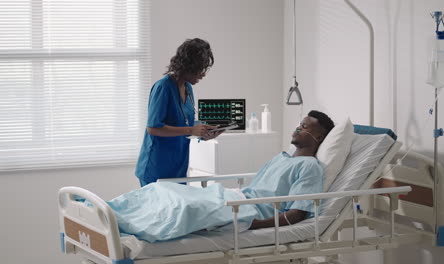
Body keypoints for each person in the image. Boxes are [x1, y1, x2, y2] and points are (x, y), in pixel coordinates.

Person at [109, 110, 335, 242]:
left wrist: (255, 225)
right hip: (234, 198)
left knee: (185, 208)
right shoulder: (282, 157)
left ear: (320, 135)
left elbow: (297, 213)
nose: (297, 128)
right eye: (299, 124)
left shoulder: (309, 167)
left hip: (247, 210)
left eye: (305, 127)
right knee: (162, 189)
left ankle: (121, 222)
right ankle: (113, 211)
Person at [135, 38, 222, 187]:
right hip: (156, 169)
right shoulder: (163, 87)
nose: (203, 74)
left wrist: (204, 131)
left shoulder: (188, 88)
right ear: (189, 66)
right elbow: (153, 127)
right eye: (200, 69)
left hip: (178, 168)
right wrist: (191, 129)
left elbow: (184, 123)